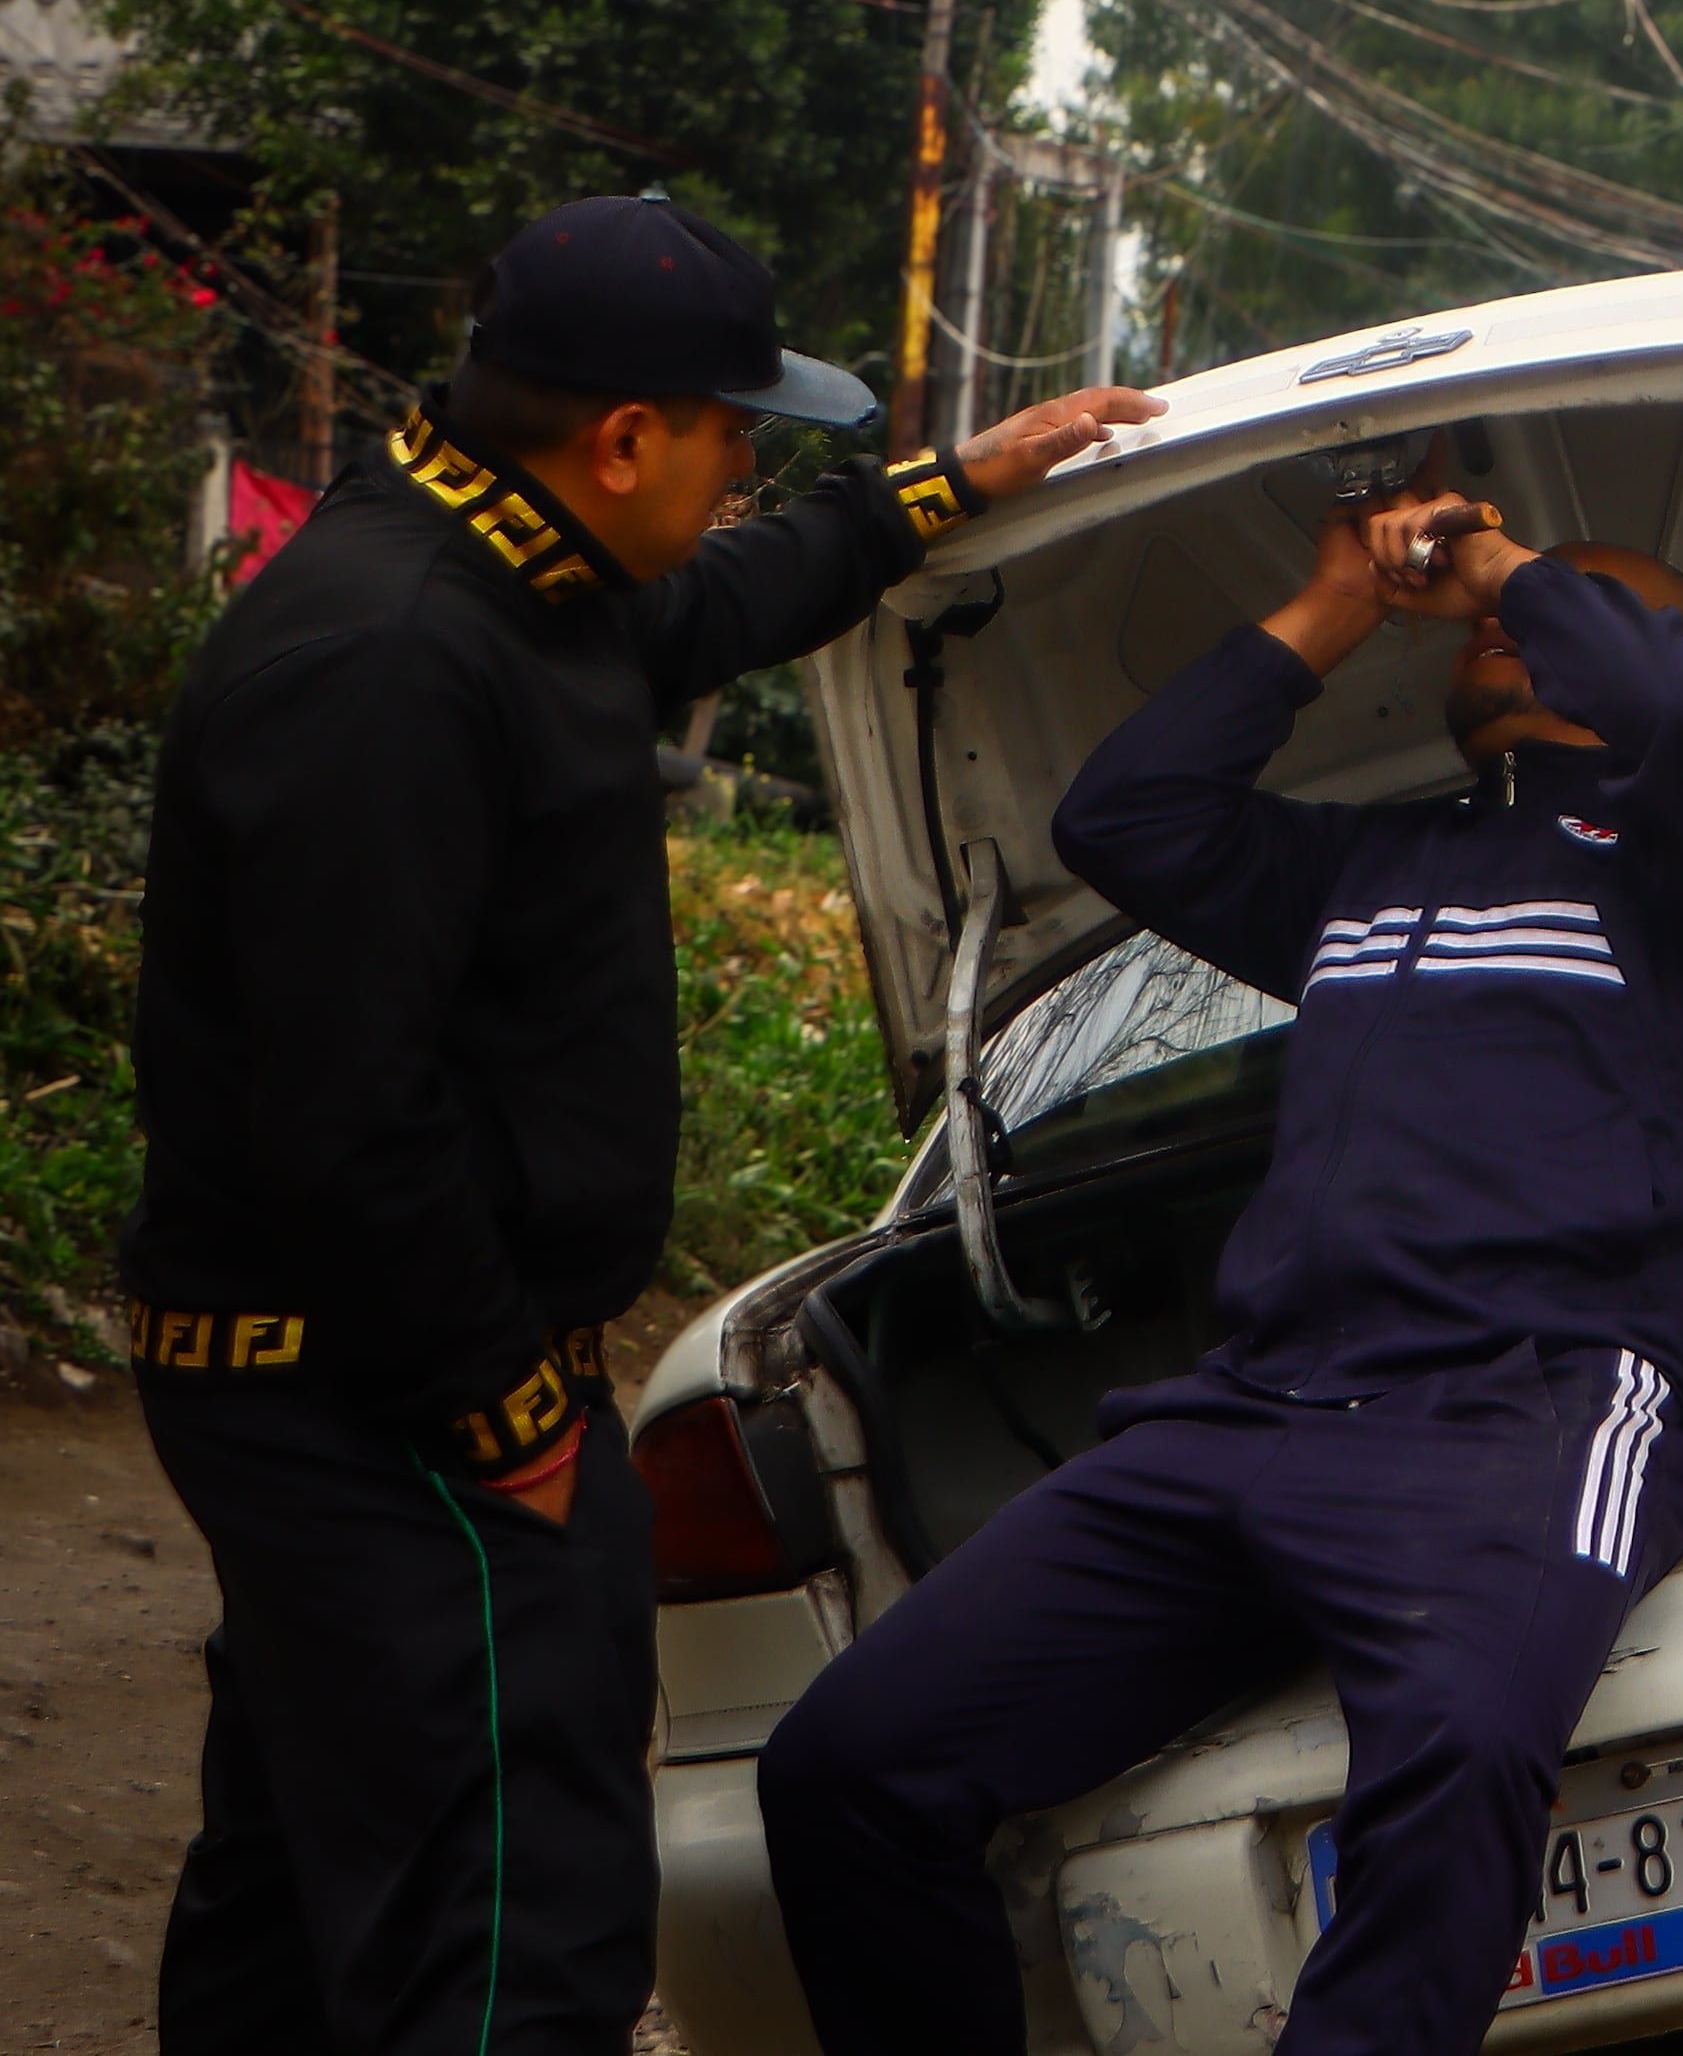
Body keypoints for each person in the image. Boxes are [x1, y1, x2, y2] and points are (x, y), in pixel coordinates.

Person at [120, 192, 1158, 2056]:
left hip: (348, 1388)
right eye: (731, 433)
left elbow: (711, 596)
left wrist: (946, 488)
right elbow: (344, 1112)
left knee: (306, 1871)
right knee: (512, 1915)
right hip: (387, 1400)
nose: (744, 467)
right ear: (622, 438)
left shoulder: (511, 567)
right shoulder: (388, 663)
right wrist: (503, 1412)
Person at [758, 482, 1683, 2056]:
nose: (1493, 616)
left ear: (1653, 641)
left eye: (1550, 601)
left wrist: (1504, 562)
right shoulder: (1369, 866)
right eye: (1487, 607)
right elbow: (1122, 819)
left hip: (1531, 1405)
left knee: (1464, 1752)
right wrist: (1334, 605)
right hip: (1251, 1407)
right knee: (849, 1763)